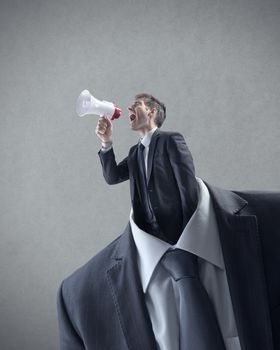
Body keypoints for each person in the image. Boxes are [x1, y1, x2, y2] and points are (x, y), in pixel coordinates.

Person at [57, 94, 280, 350]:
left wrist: (186, 230)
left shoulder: (171, 141)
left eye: (137, 105)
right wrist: (106, 144)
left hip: (177, 222)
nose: (129, 108)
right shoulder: (76, 300)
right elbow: (112, 176)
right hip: (150, 220)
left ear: (152, 113)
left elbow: (185, 181)